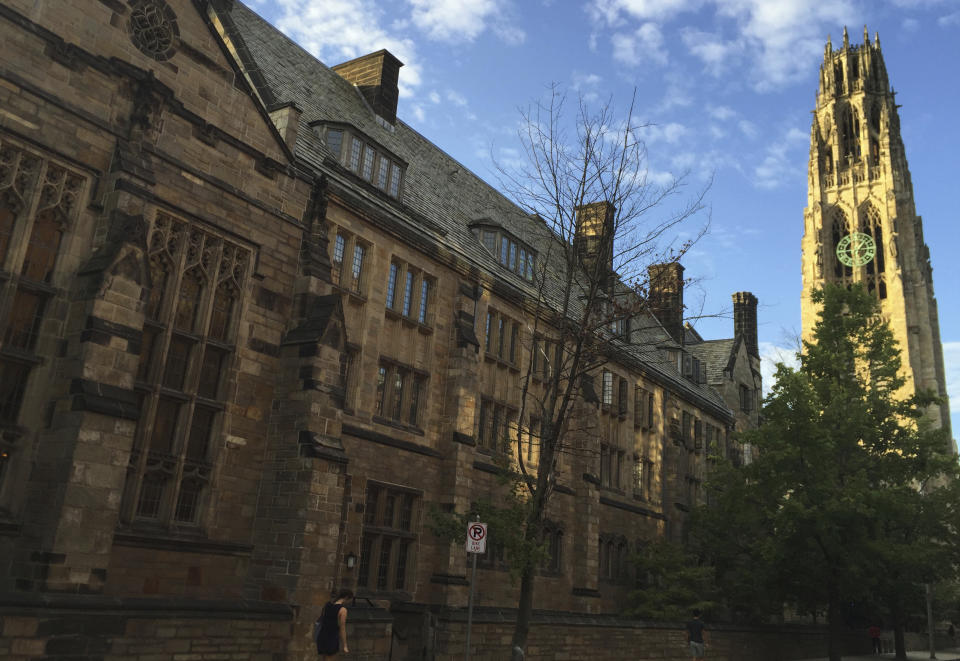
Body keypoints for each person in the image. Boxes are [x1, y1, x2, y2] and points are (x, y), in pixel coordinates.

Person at [316, 588, 353, 658]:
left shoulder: (327, 605)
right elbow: (342, 628)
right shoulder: (343, 610)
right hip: (332, 637)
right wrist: (345, 645)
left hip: (322, 636)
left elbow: (322, 619)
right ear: (347, 597)